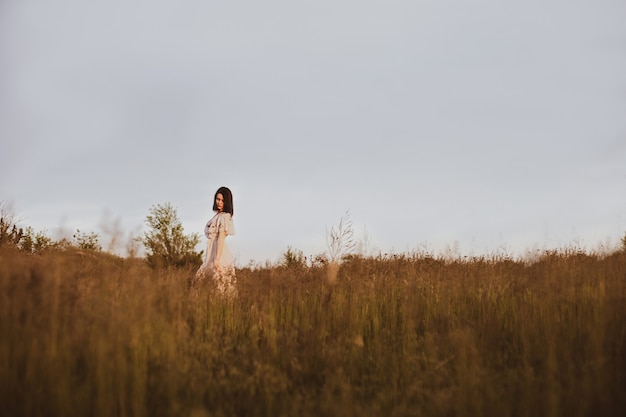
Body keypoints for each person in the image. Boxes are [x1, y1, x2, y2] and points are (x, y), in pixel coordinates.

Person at [196, 186, 236, 297]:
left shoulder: (225, 217)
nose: (219, 202)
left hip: (219, 254)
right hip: (211, 253)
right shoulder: (216, 216)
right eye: (218, 199)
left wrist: (217, 260)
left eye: (222, 200)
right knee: (199, 282)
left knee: (221, 288)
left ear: (227, 202)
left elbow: (221, 238)